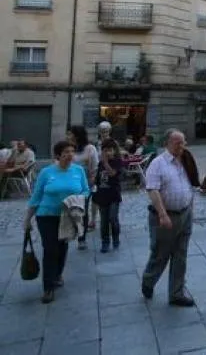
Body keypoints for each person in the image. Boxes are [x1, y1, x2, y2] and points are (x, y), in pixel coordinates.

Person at [24, 140, 89, 303]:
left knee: (62, 247)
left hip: (67, 216)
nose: (69, 155)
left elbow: (86, 190)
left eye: (72, 152)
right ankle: (48, 288)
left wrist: (77, 200)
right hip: (46, 215)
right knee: (50, 249)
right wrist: (27, 219)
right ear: (58, 155)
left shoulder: (78, 171)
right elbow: (36, 196)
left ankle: (58, 273)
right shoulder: (47, 173)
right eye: (66, 152)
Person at [141, 129, 199, 306]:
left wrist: (190, 207)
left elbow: (191, 184)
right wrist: (162, 214)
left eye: (183, 142)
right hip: (165, 216)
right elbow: (152, 189)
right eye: (177, 142)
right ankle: (148, 281)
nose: (182, 146)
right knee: (160, 254)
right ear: (167, 143)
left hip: (184, 214)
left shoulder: (186, 160)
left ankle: (176, 292)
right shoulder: (158, 163)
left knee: (181, 255)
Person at [67, 125, 98, 250]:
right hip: (69, 185)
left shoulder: (90, 148)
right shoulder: (68, 148)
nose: (68, 136)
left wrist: (91, 181)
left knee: (82, 211)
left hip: (85, 184)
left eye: (70, 134)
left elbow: (95, 166)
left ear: (77, 135)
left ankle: (81, 238)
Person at [92, 139, 123, 253]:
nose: (107, 153)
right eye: (105, 150)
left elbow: (113, 174)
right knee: (104, 220)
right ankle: (105, 242)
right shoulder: (100, 164)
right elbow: (98, 180)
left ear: (114, 151)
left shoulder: (117, 162)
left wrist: (106, 163)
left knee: (113, 218)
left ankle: (116, 238)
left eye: (110, 150)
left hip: (114, 195)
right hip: (102, 195)